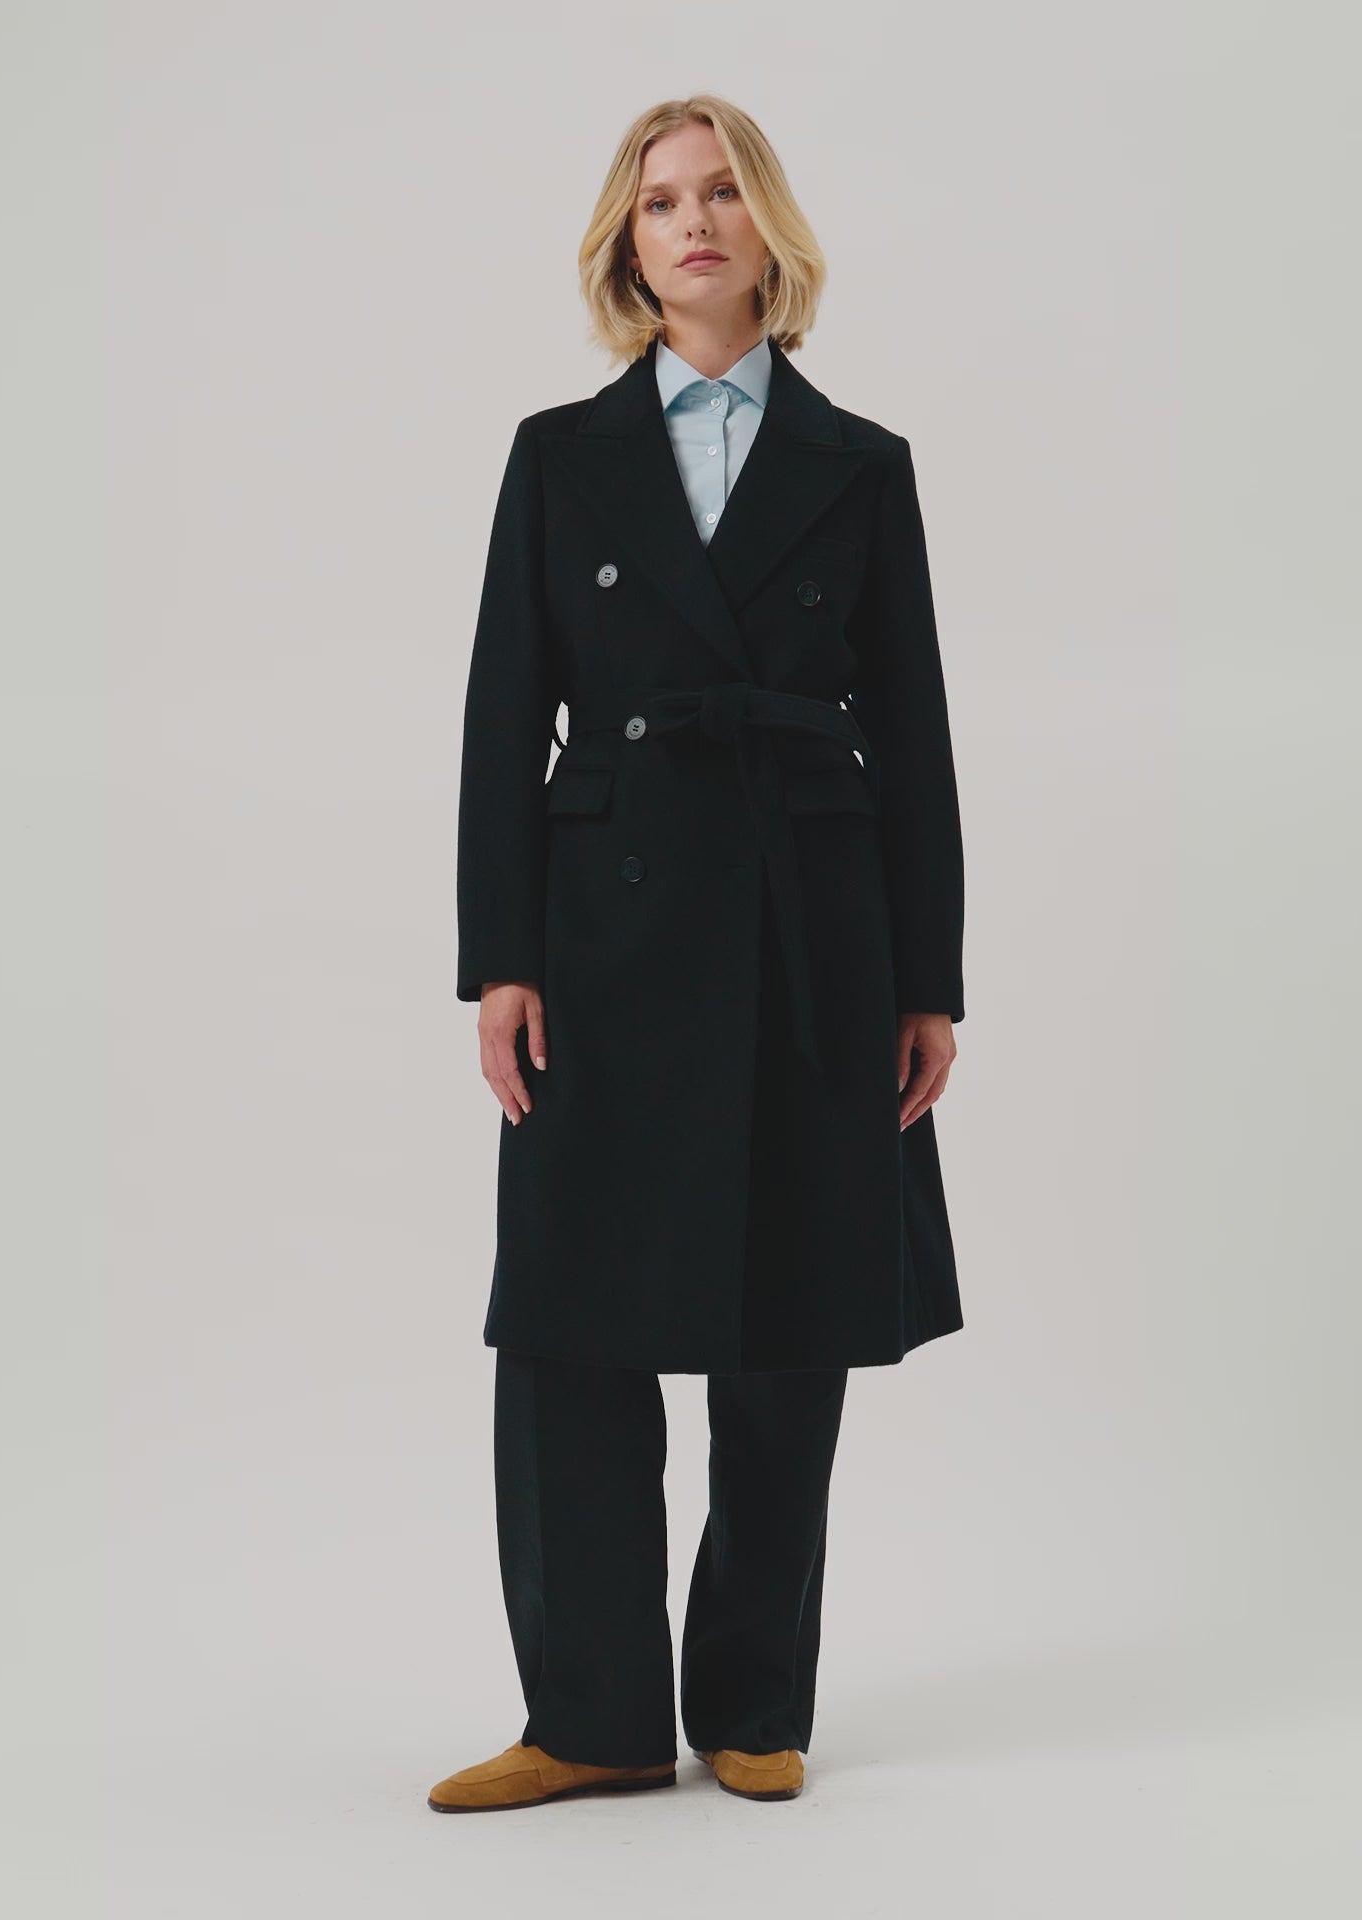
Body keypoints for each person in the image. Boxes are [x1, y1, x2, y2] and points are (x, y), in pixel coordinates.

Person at [432, 93, 966, 1813]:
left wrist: (929, 981)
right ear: (628, 244)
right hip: (602, 931)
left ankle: (752, 1702)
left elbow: (916, 732)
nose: (695, 221)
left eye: (723, 191)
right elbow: (503, 714)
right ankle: (590, 1719)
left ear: (767, 226)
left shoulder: (860, 463)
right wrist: (500, 959)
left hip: (814, 923)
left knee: (787, 1321)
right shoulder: (557, 454)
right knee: (569, 1324)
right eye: (661, 200)